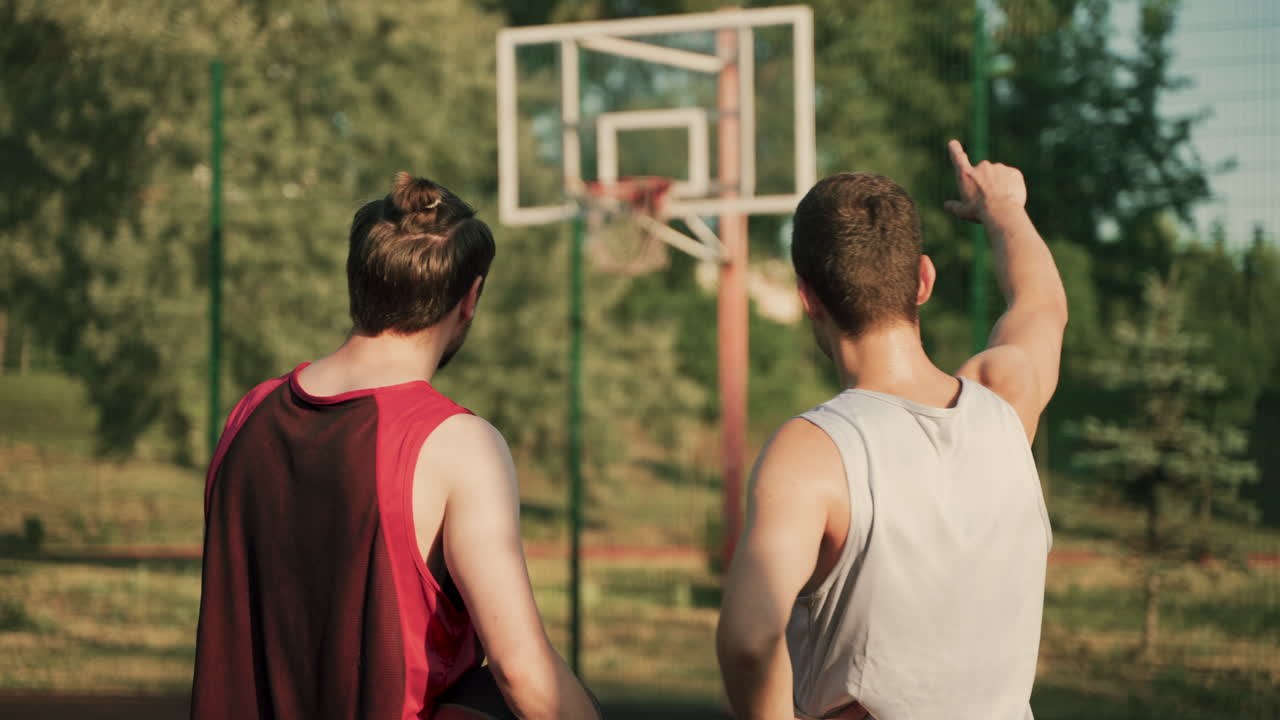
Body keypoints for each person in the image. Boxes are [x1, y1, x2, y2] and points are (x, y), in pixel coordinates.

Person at [191, 173, 600, 720]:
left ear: (358, 279)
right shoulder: (458, 443)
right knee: (504, 702)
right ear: (470, 296)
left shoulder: (248, 413)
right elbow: (522, 673)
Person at [716, 141, 1067, 720]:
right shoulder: (1007, 399)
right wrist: (1005, 208)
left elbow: (749, 642)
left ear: (808, 297)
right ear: (923, 280)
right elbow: (1042, 304)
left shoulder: (812, 453)